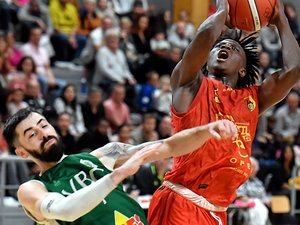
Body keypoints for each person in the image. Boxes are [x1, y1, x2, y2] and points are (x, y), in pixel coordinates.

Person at [147, 0, 300, 224]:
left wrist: (280, 19)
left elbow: (294, 71)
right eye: (219, 46)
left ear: (243, 68)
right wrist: (222, 10)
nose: (225, 47)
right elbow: (206, 36)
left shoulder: (252, 100)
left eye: (234, 48)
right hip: (182, 201)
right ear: (206, 58)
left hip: (217, 210)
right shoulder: (189, 84)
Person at [2, 107, 237, 225]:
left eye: (43, 125)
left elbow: (168, 146)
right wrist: (118, 175)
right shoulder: (32, 189)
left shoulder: (102, 156)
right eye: (32, 134)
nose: (43, 134)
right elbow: (65, 210)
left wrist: (206, 130)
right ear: (21, 152)